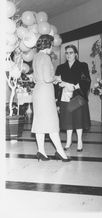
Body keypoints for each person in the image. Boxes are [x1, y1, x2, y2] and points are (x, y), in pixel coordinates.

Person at [31, 34, 70, 162]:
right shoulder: (46, 58)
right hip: (45, 93)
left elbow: (37, 77)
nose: (53, 47)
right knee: (52, 123)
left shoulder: (36, 57)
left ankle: (41, 151)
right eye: (52, 44)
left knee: (40, 122)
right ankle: (60, 152)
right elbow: (48, 78)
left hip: (37, 91)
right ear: (48, 44)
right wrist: (56, 78)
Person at [55, 44, 91, 152]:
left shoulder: (82, 65)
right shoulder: (60, 67)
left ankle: (80, 141)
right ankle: (68, 141)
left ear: (76, 54)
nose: (68, 55)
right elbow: (56, 85)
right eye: (66, 53)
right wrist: (57, 100)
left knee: (78, 119)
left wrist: (74, 86)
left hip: (77, 96)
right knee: (67, 120)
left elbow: (86, 80)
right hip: (64, 97)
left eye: (71, 53)